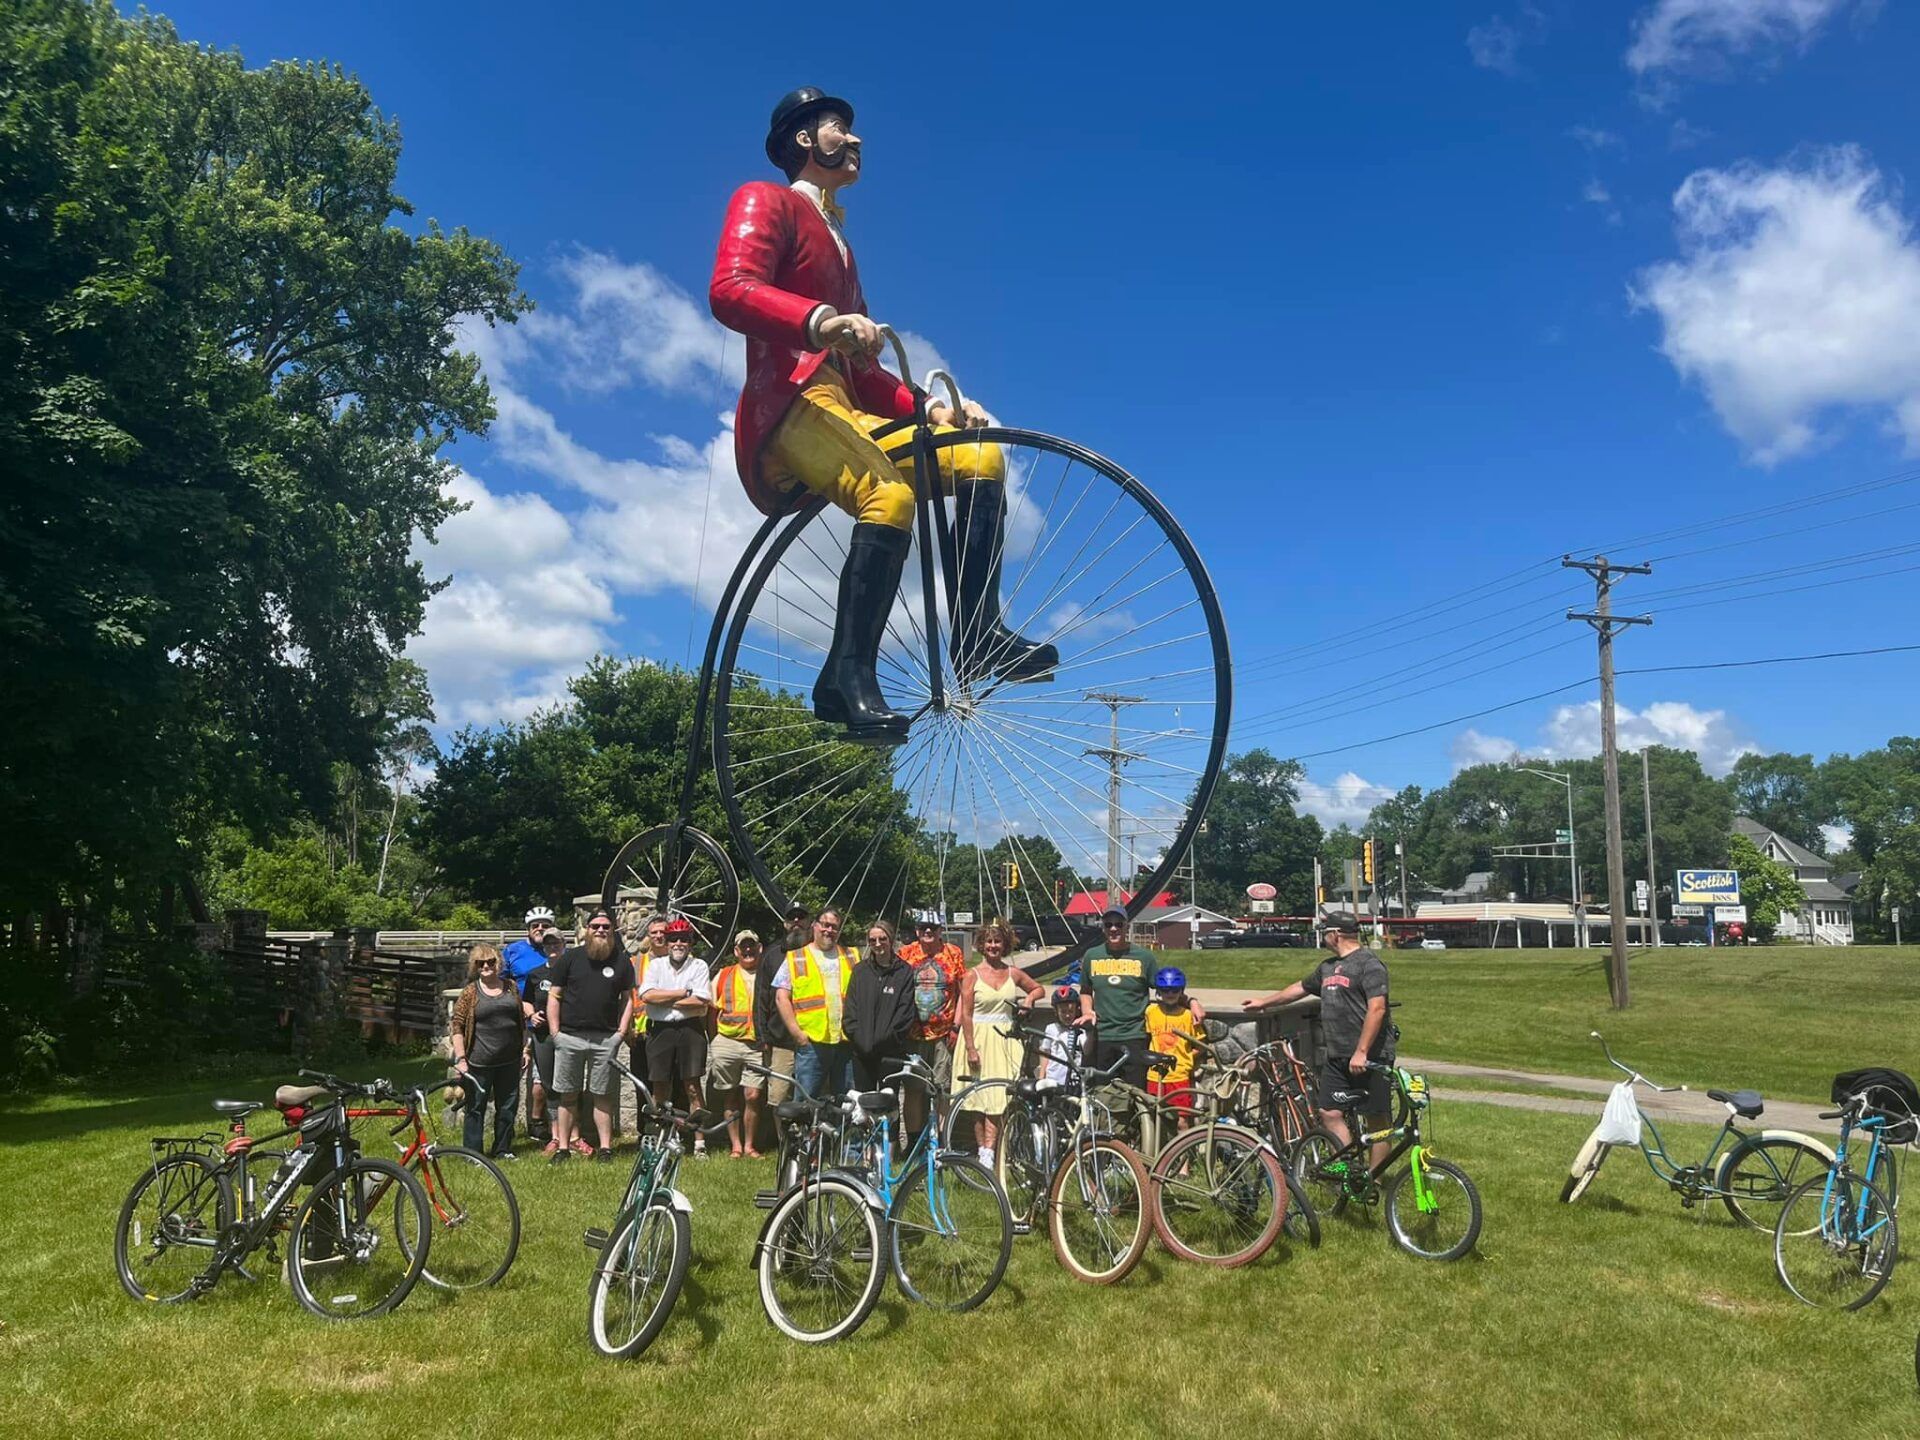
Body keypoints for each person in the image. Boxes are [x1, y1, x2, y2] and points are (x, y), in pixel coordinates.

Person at [709, 87, 1054, 746]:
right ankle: (845, 673)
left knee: (981, 456)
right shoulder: (766, 199)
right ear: (805, 138)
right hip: (793, 405)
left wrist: (937, 411)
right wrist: (818, 321)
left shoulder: (841, 245)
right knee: (886, 493)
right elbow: (730, 289)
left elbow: (866, 375)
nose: (857, 139)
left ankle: (978, 634)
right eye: (841, 127)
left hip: (845, 406)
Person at [1241, 912, 1393, 1171]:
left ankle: (1374, 1180)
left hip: (1369, 1057)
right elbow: (1300, 988)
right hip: (1337, 1056)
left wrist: (1362, 1051)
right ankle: (1348, 1172)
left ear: (1335, 934)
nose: (1323, 937)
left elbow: (1377, 1009)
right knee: (1329, 1112)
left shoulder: (1370, 965)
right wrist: (1265, 1002)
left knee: (1376, 1118)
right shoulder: (1328, 967)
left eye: (1325, 932)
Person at [951, 918, 1044, 1166]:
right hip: (979, 1038)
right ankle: (984, 1151)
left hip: (1005, 1038)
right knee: (980, 1099)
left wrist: (1028, 1000)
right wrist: (971, 1047)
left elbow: (1038, 989)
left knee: (1000, 1098)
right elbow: (967, 1014)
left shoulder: (1012, 972)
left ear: (1005, 945)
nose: (993, 946)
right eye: (989, 941)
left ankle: (992, 1150)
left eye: (998, 941)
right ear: (982, 945)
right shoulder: (971, 976)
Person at [1078, 907, 1205, 1088]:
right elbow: (1085, 990)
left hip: (1134, 1035)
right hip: (1102, 1035)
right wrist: (1087, 1011)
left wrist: (1192, 1002)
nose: (1113, 929)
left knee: (1135, 1092)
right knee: (1101, 1091)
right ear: (1103, 927)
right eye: (1108, 924)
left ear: (1126, 926)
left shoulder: (1144, 957)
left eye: (1118, 924)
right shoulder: (1092, 955)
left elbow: (1166, 990)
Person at [547, 908, 636, 1164]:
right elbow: (554, 995)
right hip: (569, 1038)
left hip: (604, 1040)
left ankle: (606, 1149)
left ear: (612, 930)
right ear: (587, 929)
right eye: (595, 925)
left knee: (602, 1095)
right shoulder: (571, 958)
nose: (600, 930)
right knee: (567, 1094)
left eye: (605, 926)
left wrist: (621, 1032)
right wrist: (555, 1033)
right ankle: (563, 1148)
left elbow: (628, 1000)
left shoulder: (621, 961)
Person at [448, 944, 535, 1159]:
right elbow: (457, 1025)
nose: (486, 966)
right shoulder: (470, 992)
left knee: (507, 1107)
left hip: (510, 1059)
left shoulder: (511, 987)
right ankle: (473, 1153)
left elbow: (519, 1021)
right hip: (479, 1061)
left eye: (491, 962)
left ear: (499, 963)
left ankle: (503, 1148)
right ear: (475, 966)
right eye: (481, 963)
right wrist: (460, 1058)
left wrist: (525, 1049)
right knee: (475, 1107)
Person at [638, 916, 712, 1152]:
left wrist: (666, 1000)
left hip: (690, 1030)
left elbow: (701, 1001)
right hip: (661, 1030)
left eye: (683, 939)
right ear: (667, 942)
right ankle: (661, 1138)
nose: (678, 943)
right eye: (673, 939)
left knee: (692, 1086)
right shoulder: (656, 965)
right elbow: (647, 996)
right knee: (660, 1085)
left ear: (690, 943)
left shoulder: (699, 965)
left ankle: (699, 1143)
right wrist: (682, 993)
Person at [773, 907, 861, 1099]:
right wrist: (797, 1034)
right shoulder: (796, 957)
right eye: (825, 925)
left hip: (845, 1041)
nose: (829, 930)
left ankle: (841, 1131)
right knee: (806, 1101)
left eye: (834, 927)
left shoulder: (852, 955)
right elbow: (781, 997)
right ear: (814, 926)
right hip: (812, 1042)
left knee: (846, 1102)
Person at [898, 916, 967, 1135]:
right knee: (913, 1089)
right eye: (923, 927)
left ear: (940, 931)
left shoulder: (953, 953)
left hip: (943, 1033)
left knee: (942, 1089)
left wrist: (956, 1026)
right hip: (913, 1033)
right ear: (917, 931)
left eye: (933, 928)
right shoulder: (905, 953)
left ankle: (941, 1140)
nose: (928, 931)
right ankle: (913, 1140)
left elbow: (963, 992)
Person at [752, 901, 811, 1136]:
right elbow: (761, 996)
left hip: (812, 1037)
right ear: (784, 923)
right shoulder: (771, 955)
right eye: (791, 918)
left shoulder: (817, 952)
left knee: (811, 1093)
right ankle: (785, 1143)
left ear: (809, 922)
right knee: (778, 1096)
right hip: (780, 1039)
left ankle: (810, 1143)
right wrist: (762, 1034)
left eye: (801, 917)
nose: (796, 922)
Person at [707, 929, 767, 1158]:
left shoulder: (767, 974)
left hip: (755, 1044)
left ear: (759, 948)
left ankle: (750, 1145)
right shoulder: (724, 974)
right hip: (728, 1041)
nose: (748, 950)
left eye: (752, 945)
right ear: (736, 951)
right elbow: (712, 1011)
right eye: (744, 947)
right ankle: (736, 1146)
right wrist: (715, 1040)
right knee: (730, 1095)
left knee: (753, 1095)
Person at [503, 906, 560, 1145]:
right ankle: (509, 1128)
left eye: (544, 925)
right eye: (535, 925)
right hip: (519, 1020)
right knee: (514, 1076)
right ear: (527, 929)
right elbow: (502, 979)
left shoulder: (556, 952)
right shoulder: (513, 950)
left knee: (542, 1078)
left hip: (549, 1024)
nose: (539, 929)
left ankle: (541, 1123)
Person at [846, 919, 918, 1090]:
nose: (878, 944)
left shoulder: (904, 972)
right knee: (863, 1106)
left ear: (891, 939)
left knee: (888, 1104)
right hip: (862, 1052)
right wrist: (858, 1039)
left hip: (890, 1054)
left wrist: (886, 1041)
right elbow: (850, 1010)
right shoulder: (859, 971)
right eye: (873, 940)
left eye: (882, 939)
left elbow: (905, 1013)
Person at [519, 929, 566, 1148]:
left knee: (569, 1084)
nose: (552, 947)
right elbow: (526, 999)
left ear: (564, 944)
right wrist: (531, 1015)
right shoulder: (535, 973)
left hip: (568, 1034)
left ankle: (573, 1135)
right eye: (548, 944)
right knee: (549, 1085)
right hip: (543, 1036)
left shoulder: (572, 971)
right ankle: (556, 1136)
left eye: (556, 943)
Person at [1144, 967, 1205, 1131]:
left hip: (1178, 1076)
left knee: (1182, 1121)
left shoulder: (1187, 1016)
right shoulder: (1150, 1012)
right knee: (1155, 1120)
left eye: (1174, 990)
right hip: (1155, 1075)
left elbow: (1200, 1046)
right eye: (1165, 990)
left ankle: (1184, 1156)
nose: (1170, 994)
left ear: (1181, 991)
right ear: (1158, 991)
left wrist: (1185, 1057)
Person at [1039, 986, 1084, 1089]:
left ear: (1077, 1010)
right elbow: (1046, 1053)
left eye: (1071, 1011)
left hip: (1075, 1081)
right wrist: (1042, 1076)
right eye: (1063, 1012)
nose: (1067, 1015)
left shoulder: (1081, 1030)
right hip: (1054, 1079)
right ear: (1056, 1011)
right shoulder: (1051, 1029)